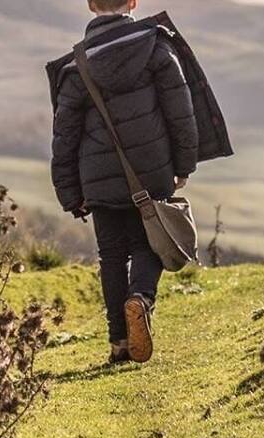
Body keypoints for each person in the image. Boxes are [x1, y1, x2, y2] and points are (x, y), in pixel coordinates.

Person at [49, 0, 199, 364]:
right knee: (150, 244)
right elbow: (181, 112)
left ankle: (119, 342)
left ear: (90, 5)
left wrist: (70, 192)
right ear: (132, 2)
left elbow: (64, 137)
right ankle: (141, 298)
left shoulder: (76, 67)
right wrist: (183, 165)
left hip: (98, 180)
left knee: (112, 256)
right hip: (152, 170)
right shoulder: (156, 47)